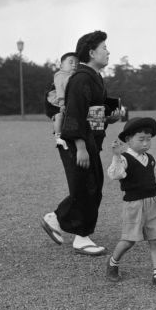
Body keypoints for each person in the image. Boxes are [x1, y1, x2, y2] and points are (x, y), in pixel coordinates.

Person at [41, 30, 120, 255]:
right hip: (78, 142)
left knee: (90, 186)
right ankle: (79, 235)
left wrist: (109, 117)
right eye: (104, 48)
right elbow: (75, 113)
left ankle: (59, 221)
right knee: (87, 187)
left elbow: (92, 113)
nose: (108, 52)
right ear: (91, 52)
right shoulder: (82, 78)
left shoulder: (93, 77)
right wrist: (81, 147)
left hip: (89, 139)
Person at [105, 117, 156, 291]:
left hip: (152, 204)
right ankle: (113, 262)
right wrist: (116, 155)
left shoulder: (150, 159)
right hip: (134, 205)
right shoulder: (125, 158)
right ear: (128, 140)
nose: (146, 143)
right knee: (129, 240)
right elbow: (115, 174)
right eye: (141, 139)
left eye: (149, 139)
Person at [45, 52, 78, 148]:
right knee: (59, 116)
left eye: (76, 63)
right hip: (54, 100)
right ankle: (58, 137)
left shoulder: (73, 76)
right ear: (61, 66)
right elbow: (60, 89)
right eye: (71, 62)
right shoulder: (60, 75)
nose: (74, 65)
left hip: (62, 101)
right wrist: (62, 103)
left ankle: (62, 135)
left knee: (63, 117)